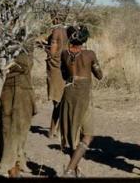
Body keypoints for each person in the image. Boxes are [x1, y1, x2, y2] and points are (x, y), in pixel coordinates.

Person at [59, 25, 103, 178]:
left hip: (68, 93)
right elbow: (99, 75)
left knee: (72, 133)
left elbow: (64, 75)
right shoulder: (90, 54)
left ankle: (76, 170)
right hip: (83, 95)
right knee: (88, 135)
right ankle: (70, 169)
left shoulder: (64, 54)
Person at [0, 37, 36, 178]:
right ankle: (9, 166)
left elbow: (26, 65)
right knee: (9, 128)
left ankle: (15, 162)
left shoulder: (25, 42)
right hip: (10, 89)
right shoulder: (0, 40)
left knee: (18, 128)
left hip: (19, 89)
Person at [45, 10, 69, 139]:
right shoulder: (66, 31)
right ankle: (56, 129)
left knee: (57, 100)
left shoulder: (56, 31)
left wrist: (44, 48)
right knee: (60, 100)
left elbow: (53, 53)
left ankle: (53, 130)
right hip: (64, 67)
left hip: (55, 68)